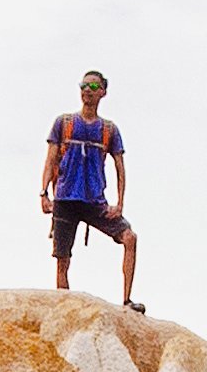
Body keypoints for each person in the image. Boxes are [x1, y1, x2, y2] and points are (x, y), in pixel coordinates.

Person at [41, 70, 139, 306]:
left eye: (93, 87)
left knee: (129, 238)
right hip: (66, 198)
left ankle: (127, 300)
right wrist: (44, 193)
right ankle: (64, 307)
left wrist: (120, 202)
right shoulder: (63, 123)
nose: (87, 90)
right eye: (84, 86)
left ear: (103, 92)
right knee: (62, 259)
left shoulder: (109, 130)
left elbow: (120, 166)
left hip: (94, 200)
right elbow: (50, 159)